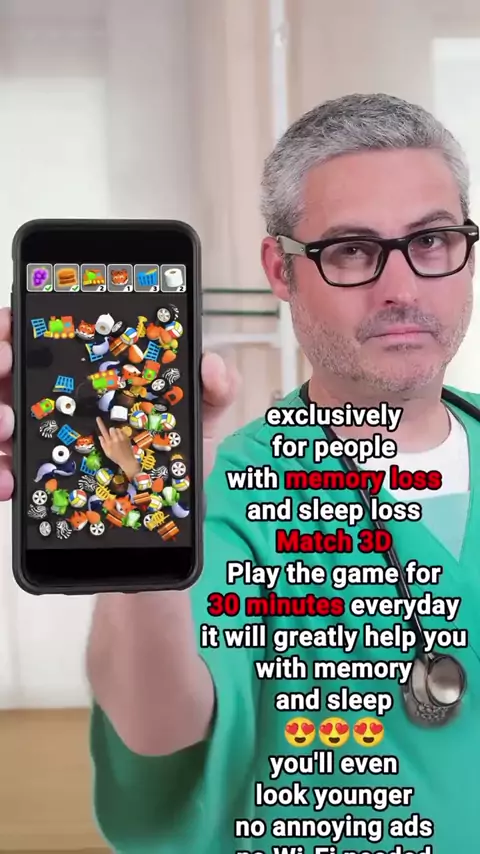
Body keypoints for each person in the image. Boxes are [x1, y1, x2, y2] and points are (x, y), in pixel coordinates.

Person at [1, 91, 480, 852]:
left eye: (431, 240)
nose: (402, 288)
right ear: (281, 270)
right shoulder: (231, 491)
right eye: (351, 251)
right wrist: (144, 508)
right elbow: (160, 729)